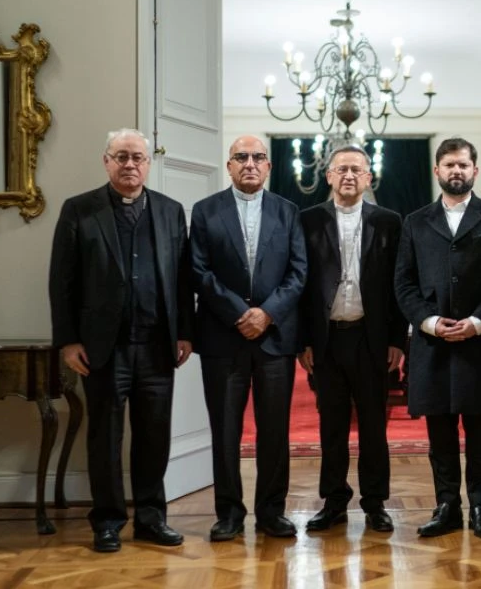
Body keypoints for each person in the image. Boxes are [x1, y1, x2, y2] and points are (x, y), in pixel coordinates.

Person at [49, 128, 194, 553]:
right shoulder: (79, 209)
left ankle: (151, 518)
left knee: (154, 436)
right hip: (102, 349)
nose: (130, 164)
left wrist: (185, 332)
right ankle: (108, 521)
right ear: (106, 161)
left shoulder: (170, 211)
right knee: (105, 437)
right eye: (121, 156)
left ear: (148, 163)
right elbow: (62, 281)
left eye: (137, 158)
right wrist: (67, 341)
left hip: (157, 346)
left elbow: (183, 279)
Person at [394, 137, 481, 540]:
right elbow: (403, 283)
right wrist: (429, 322)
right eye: (449, 164)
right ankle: (446, 506)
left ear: (474, 170)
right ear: (437, 171)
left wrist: (479, 321)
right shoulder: (415, 221)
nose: (456, 171)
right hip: (433, 342)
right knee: (440, 432)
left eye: (463, 164)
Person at [190, 135, 307, 541]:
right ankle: (228, 514)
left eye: (258, 157)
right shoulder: (205, 211)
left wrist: (267, 313)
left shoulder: (288, 211)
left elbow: (299, 272)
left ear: (269, 166)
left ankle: (272, 512)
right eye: (241, 157)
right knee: (225, 431)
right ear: (229, 166)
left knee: (274, 430)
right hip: (223, 337)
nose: (250, 164)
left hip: (275, 338)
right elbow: (199, 271)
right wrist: (240, 314)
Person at [298, 145, 405, 533]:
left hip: (371, 338)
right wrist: (303, 341)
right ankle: (334, 501)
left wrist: (398, 340)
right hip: (326, 339)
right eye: (341, 169)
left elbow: (398, 284)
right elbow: (300, 285)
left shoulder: (389, 221)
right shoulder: (307, 220)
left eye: (356, 170)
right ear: (328, 176)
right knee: (332, 425)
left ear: (368, 178)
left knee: (374, 426)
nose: (348, 175)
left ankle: (375, 503)